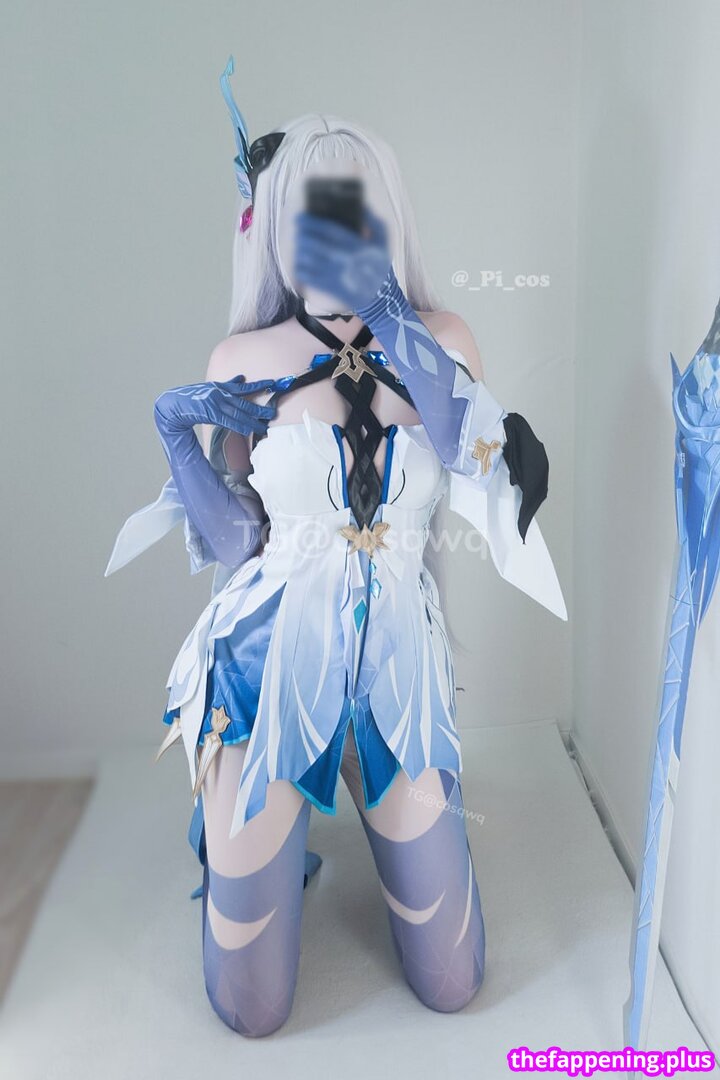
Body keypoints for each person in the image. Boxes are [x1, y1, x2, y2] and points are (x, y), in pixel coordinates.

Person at [105, 57, 567, 1038]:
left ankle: (350, 808)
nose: (337, 229)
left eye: (357, 207)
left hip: (395, 671)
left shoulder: (442, 340)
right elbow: (237, 543)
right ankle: (243, 833)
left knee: (454, 981)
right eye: (314, 210)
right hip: (266, 670)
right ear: (277, 224)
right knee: (255, 1008)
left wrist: (393, 316)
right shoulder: (245, 360)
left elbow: (467, 451)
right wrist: (174, 433)